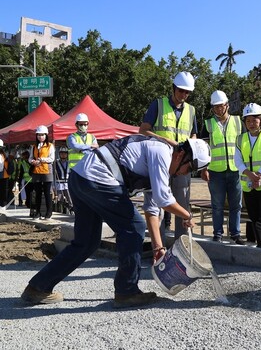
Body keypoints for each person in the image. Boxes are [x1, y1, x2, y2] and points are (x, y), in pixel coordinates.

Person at [21, 135, 211, 308]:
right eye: (190, 168)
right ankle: (127, 292)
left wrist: (158, 248)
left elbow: (153, 210)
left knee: (86, 242)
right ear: (182, 155)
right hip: (97, 178)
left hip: (81, 178)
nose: (184, 174)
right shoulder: (161, 152)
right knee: (133, 227)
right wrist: (187, 215)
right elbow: (164, 200)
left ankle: (38, 288)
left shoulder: (162, 164)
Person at [139, 71, 198, 242]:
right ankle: (160, 246)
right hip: (161, 162)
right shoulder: (158, 105)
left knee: (182, 204)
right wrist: (165, 140)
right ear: (173, 88)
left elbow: (194, 135)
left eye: (187, 92)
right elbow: (143, 130)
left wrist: (190, 146)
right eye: (181, 91)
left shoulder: (192, 111)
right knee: (158, 205)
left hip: (183, 165)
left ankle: (182, 245)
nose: (184, 95)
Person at [200, 90, 245, 244]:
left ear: (227, 105)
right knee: (217, 205)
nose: (218, 109)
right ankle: (217, 234)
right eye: (215, 107)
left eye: (221, 106)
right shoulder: (208, 124)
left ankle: (235, 234)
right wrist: (203, 169)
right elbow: (203, 149)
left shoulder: (239, 122)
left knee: (236, 205)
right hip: (215, 171)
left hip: (235, 170)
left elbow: (244, 146)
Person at [235, 103, 261, 248]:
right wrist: (249, 174)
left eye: (254, 120)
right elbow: (237, 160)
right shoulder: (240, 139)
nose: (251, 124)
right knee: (254, 217)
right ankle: (260, 244)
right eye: (248, 121)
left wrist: (258, 175)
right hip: (248, 184)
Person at [29, 125, 55, 219]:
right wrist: (32, 161)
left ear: (46, 135)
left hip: (47, 170)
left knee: (47, 192)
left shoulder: (50, 146)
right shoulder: (34, 146)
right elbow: (30, 158)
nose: (40, 137)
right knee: (38, 192)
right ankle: (38, 212)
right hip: (36, 171)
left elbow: (52, 158)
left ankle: (49, 212)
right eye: (39, 135)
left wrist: (41, 159)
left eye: (42, 135)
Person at [54, 146, 72, 213]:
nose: (63, 154)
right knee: (59, 198)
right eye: (61, 153)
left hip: (67, 183)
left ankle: (71, 208)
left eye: (65, 153)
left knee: (69, 198)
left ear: (67, 154)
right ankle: (61, 209)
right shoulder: (56, 162)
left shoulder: (70, 162)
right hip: (59, 183)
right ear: (59, 154)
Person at [0, 140, 13, 207]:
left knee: (4, 191)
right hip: (3, 175)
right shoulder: (4, 155)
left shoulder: (4, 155)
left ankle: (3, 204)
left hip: (4, 175)